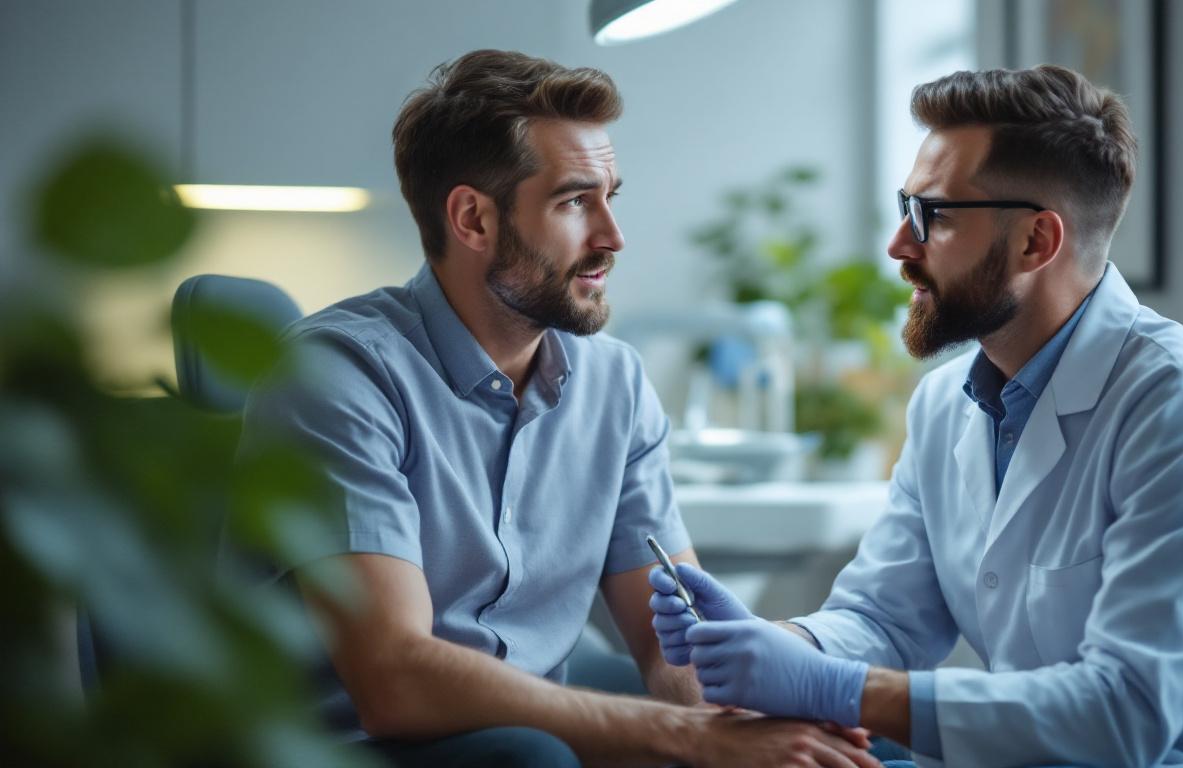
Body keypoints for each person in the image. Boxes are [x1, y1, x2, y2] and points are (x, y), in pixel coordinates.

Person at [650, 65, 1183, 767]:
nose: (899, 245)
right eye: (905, 207)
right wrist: (787, 645)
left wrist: (837, 688)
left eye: (934, 215)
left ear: (1036, 242)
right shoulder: (947, 405)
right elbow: (884, 616)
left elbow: (1123, 713)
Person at [239, 49, 880, 768]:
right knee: (532, 758)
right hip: (340, 747)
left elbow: (673, 650)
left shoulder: (615, 384)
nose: (613, 235)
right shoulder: (340, 372)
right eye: (575, 201)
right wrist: (686, 737)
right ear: (473, 219)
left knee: (849, 739)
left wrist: (762, 727)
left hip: (530, 739)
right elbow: (395, 682)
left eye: (611, 195)